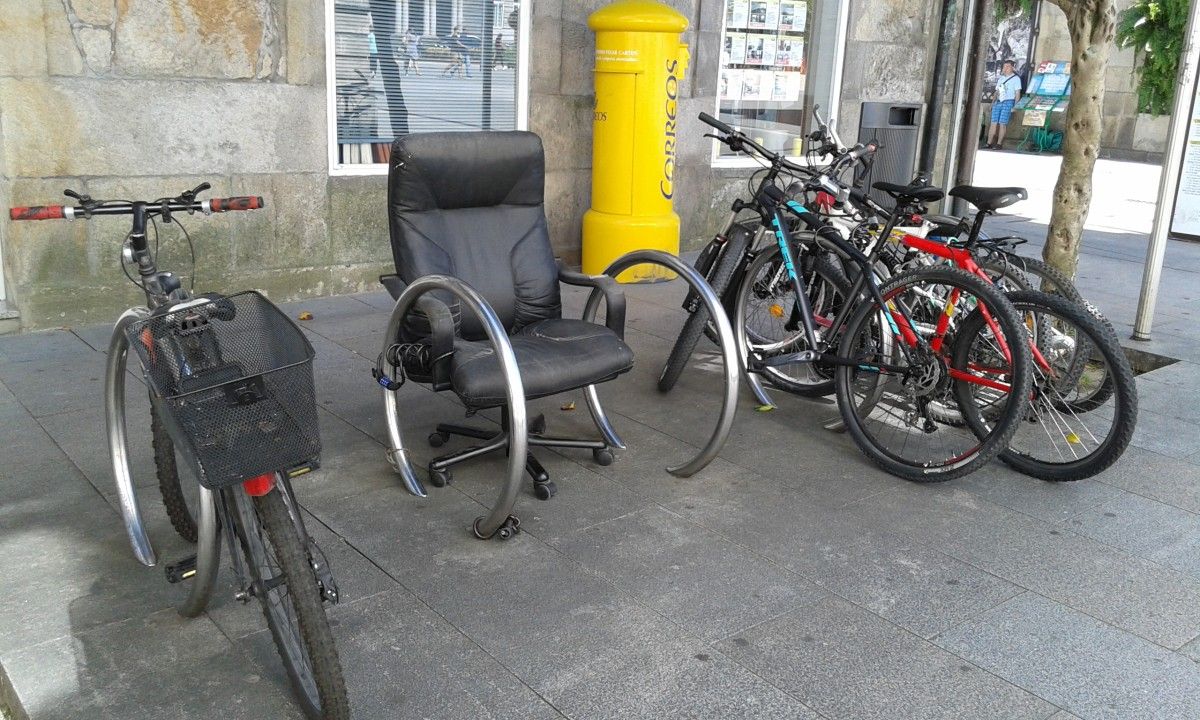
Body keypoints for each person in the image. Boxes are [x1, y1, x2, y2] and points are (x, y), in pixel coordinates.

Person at [986, 60, 1023, 150]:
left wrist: (1015, 106)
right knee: (993, 122)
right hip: (998, 101)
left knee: (1002, 123)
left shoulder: (1016, 79)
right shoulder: (1001, 78)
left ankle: (999, 144)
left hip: (1008, 101)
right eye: (1004, 66)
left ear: (1012, 68)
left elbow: (1017, 93)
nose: (1005, 68)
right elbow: (997, 92)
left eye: (1008, 66)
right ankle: (989, 143)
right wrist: (992, 103)